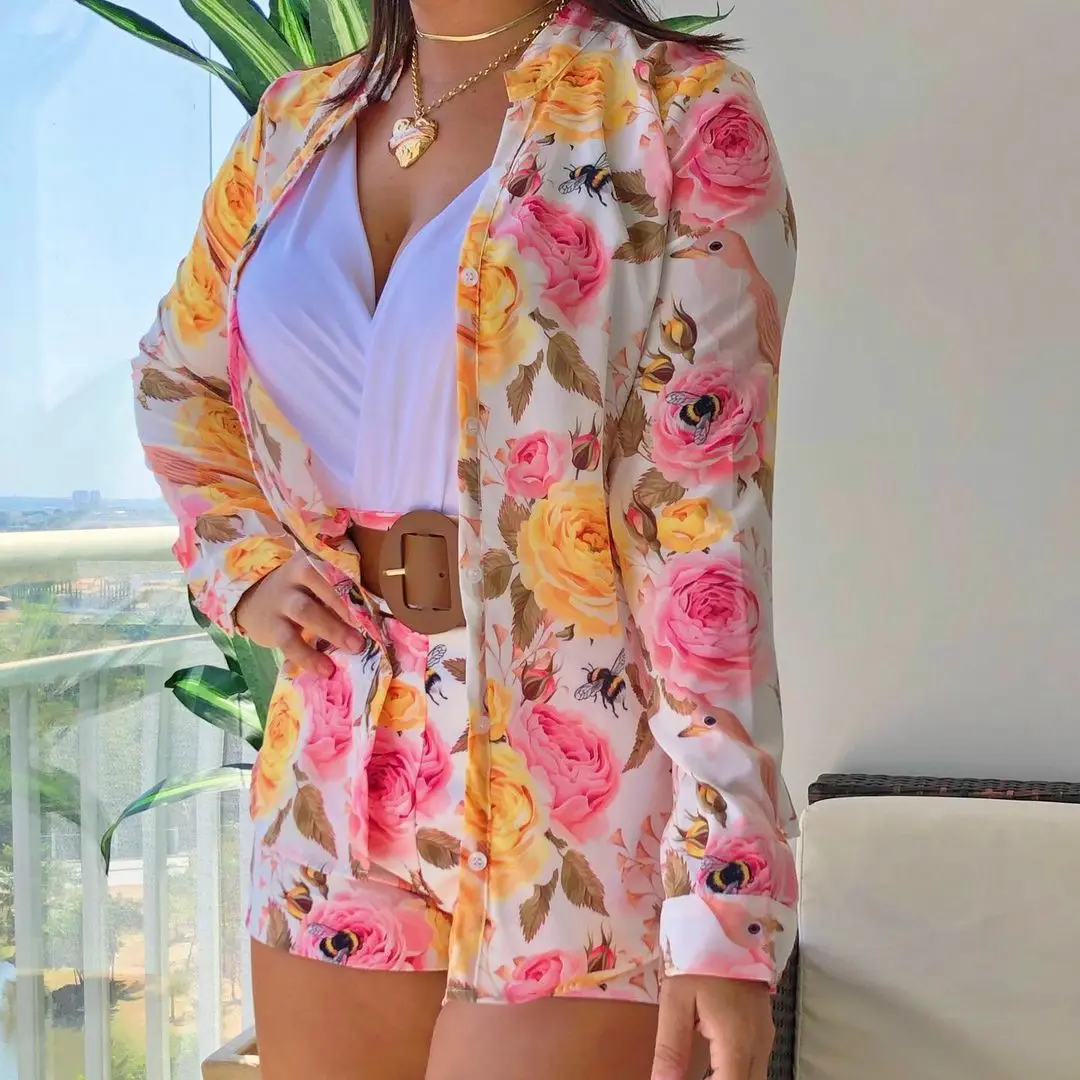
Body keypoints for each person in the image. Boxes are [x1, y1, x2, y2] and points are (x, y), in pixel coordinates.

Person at [131, 0, 799, 1074]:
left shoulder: (675, 112)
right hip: (332, 763)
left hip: (582, 790)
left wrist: (727, 885)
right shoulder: (292, 125)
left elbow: (701, 524)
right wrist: (243, 562)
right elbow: (178, 377)